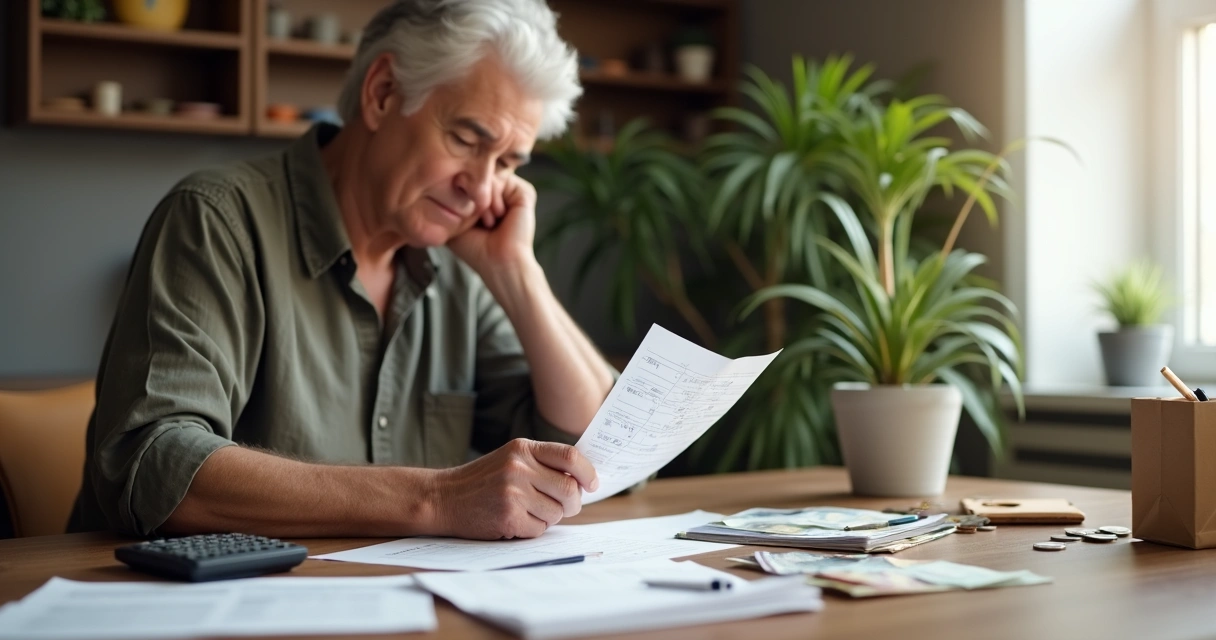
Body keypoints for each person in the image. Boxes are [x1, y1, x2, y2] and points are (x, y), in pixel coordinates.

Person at [68, 0, 616, 541]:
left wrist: (517, 272)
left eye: (507, 163)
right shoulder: (216, 220)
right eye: (467, 140)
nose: (481, 188)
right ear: (382, 94)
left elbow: (594, 451)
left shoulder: (462, 267)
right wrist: (437, 499)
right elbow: (154, 464)